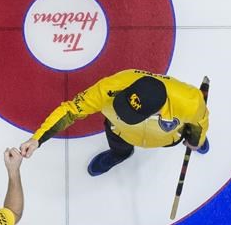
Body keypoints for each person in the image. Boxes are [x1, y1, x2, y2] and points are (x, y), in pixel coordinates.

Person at [19, 69, 209, 176]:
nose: (123, 112)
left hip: (166, 137)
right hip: (119, 132)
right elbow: (71, 110)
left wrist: (196, 139)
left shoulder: (189, 101)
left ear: (158, 110)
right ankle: (121, 154)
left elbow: (201, 121)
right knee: (119, 146)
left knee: (196, 134)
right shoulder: (110, 87)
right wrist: (38, 139)